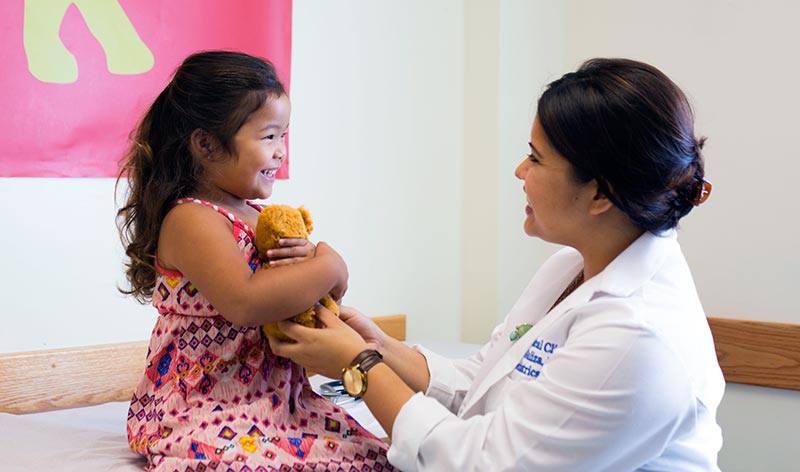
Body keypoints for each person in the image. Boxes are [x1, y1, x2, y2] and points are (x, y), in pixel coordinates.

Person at [268, 58, 724, 471]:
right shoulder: (569, 266)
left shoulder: (639, 337)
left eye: (537, 158)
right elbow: (481, 385)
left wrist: (360, 365)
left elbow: (483, 464)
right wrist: (382, 348)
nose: (520, 172)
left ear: (601, 193)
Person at [116, 51, 390, 470]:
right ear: (206, 144)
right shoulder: (191, 218)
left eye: (284, 136)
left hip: (280, 401)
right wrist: (330, 264)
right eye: (269, 137)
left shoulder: (260, 219)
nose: (281, 152)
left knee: (374, 457)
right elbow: (245, 302)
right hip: (204, 403)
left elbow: (308, 299)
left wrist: (316, 269)